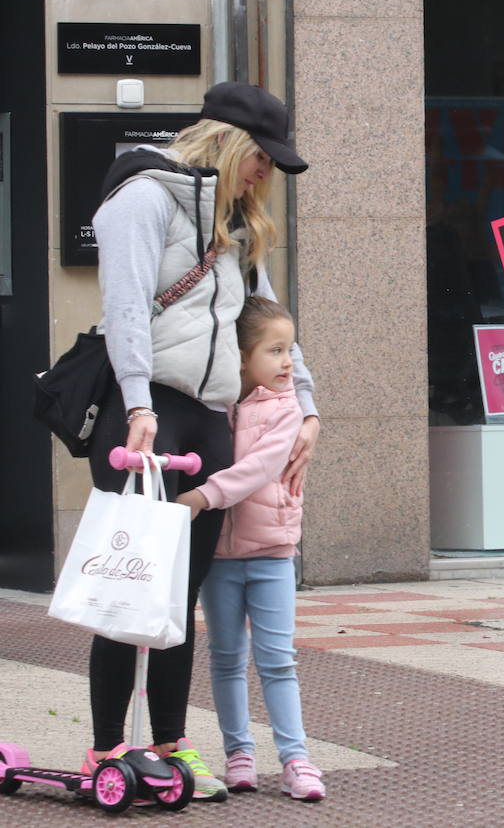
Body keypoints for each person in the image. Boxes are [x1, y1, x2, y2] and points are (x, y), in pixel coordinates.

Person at [82, 81, 318, 801]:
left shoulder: (236, 221)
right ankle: (105, 750)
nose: (267, 174)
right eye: (263, 157)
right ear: (230, 142)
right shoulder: (143, 200)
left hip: (209, 417)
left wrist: (306, 405)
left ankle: (170, 747)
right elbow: (123, 307)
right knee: (129, 596)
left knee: (178, 599)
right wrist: (135, 403)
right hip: (148, 413)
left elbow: (266, 314)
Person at [175, 297, 325, 801]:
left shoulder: (287, 409)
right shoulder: (214, 404)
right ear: (241, 357)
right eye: (275, 350)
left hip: (271, 552)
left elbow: (257, 469)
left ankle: (296, 760)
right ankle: (238, 753)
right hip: (219, 556)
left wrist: (201, 497)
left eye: (291, 349)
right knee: (226, 658)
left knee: (278, 660)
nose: (288, 362)